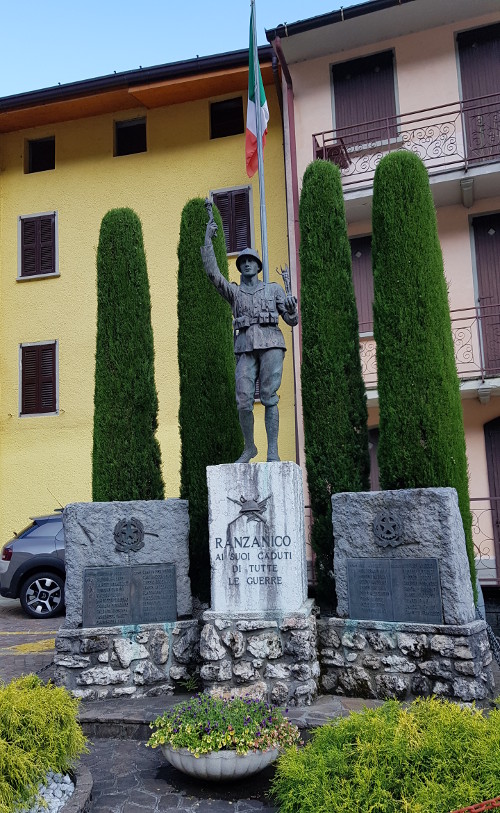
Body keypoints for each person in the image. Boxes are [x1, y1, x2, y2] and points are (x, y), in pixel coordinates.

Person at [201, 213, 298, 463]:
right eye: (243, 261)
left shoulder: (274, 289)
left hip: (272, 344)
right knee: (243, 401)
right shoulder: (234, 292)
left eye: (251, 261)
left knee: (269, 397)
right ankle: (250, 448)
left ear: (258, 266)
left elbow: (292, 321)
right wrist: (208, 241)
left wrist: (291, 307)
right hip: (245, 347)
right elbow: (214, 276)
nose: (246, 264)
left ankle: (273, 450)